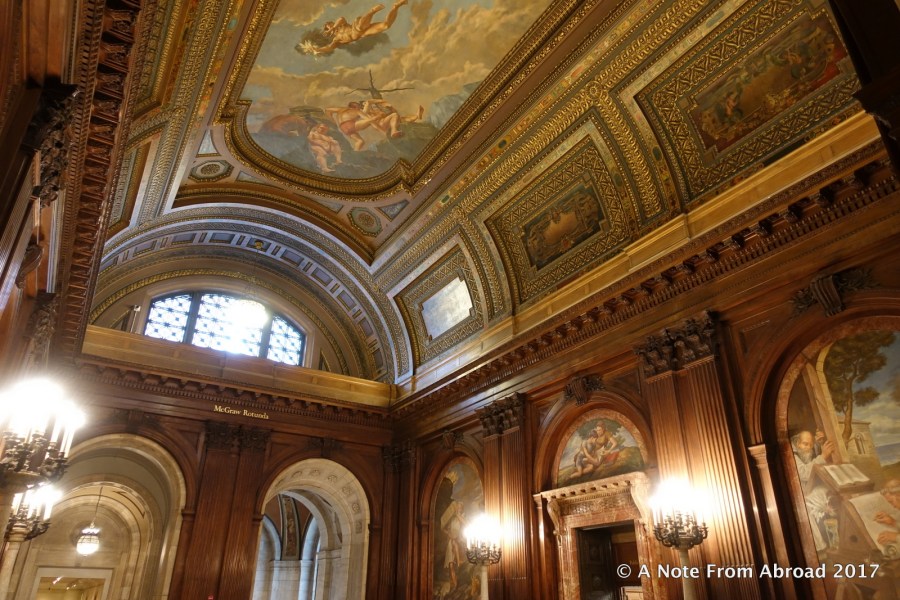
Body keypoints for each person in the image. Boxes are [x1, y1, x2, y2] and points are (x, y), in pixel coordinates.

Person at [297, 1, 408, 56]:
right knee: (386, 25)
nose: (331, 26)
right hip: (364, 33)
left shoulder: (340, 25)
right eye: (328, 26)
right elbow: (329, 48)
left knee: (359, 27)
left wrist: (332, 28)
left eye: (330, 24)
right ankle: (396, 6)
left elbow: (341, 18)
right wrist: (317, 50)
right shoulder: (337, 40)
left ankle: (372, 11)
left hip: (358, 25)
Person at [792, 429, 839, 552]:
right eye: (805, 444)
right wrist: (823, 456)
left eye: (810, 444)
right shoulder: (793, 456)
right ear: (798, 444)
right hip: (799, 497)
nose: (808, 448)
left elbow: (812, 456)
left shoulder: (806, 452)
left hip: (809, 492)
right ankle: (820, 547)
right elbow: (805, 473)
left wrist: (819, 443)